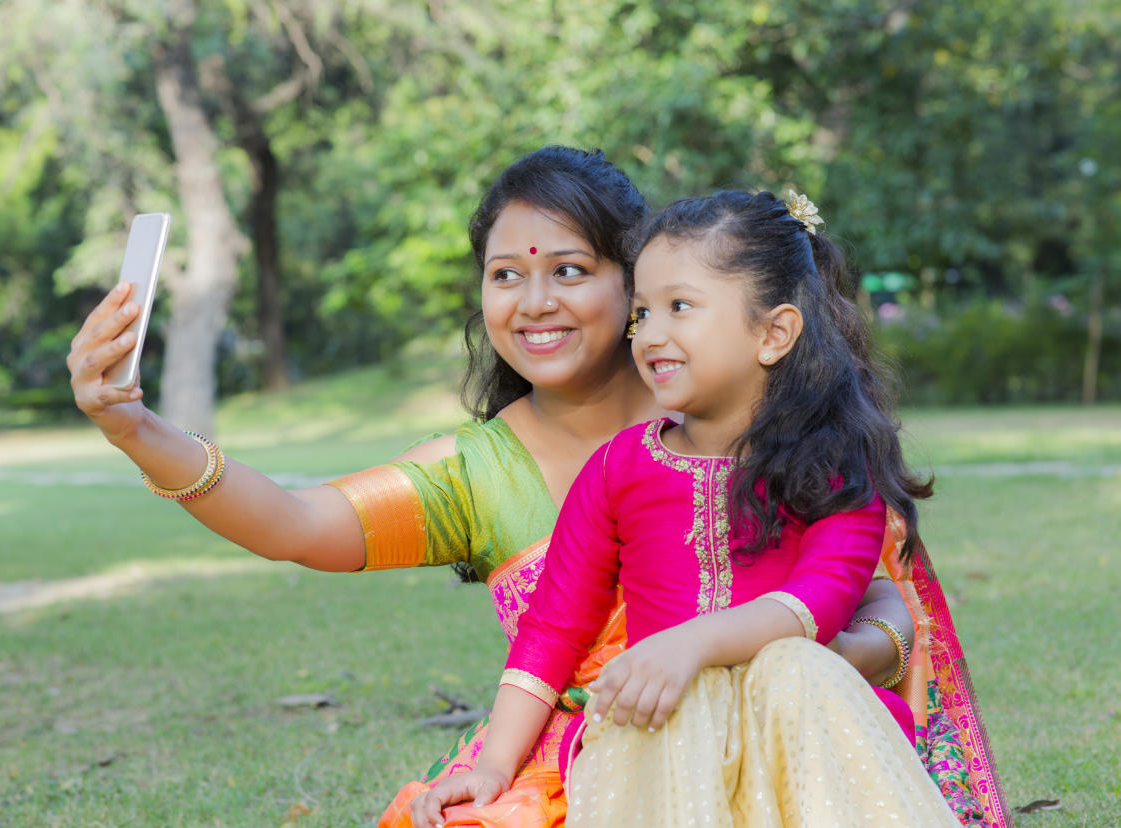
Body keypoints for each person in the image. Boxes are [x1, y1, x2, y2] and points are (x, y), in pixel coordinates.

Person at [67, 148, 1000, 826]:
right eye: (506, 275)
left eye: (570, 271)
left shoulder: (772, 426)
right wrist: (132, 426)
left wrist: (825, 660)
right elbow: (296, 524)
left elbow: (872, 598)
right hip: (592, 755)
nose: (535, 302)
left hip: (797, 725)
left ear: (640, 282)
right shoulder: (481, 470)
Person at [411, 190, 967, 828]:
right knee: (673, 700)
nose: (651, 335)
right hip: (665, 750)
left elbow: (822, 604)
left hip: (804, 731)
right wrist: (491, 766)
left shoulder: (836, 462)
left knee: (793, 664)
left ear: (774, 332)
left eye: (680, 307)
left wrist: (689, 646)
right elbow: (551, 631)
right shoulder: (620, 467)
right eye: (642, 313)